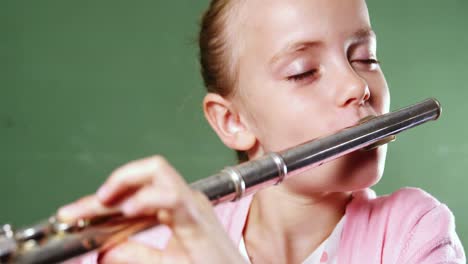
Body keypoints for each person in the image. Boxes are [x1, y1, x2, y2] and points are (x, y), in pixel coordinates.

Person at [58, 0, 466, 263]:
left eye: (365, 58)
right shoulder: (160, 244)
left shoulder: (415, 234)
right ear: (233, 121)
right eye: (303, 72)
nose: (357, 87)